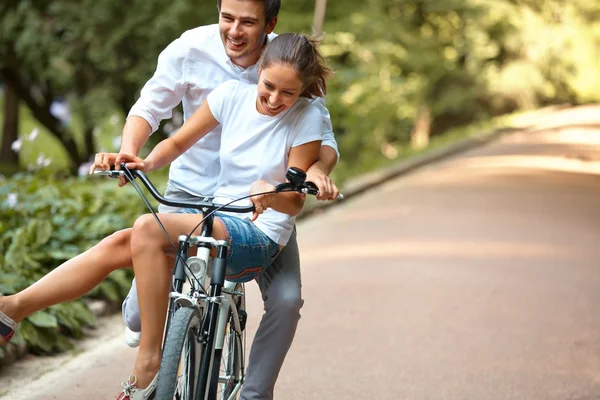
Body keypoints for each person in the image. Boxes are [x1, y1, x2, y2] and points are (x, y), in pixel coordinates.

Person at [0, 32, 332, 400]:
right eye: (268, 86)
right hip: (217, 213)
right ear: (260, 71)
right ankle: (12, 307)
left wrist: (268, 193)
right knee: (121, 242)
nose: (274, 99)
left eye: (287, 93)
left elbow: (295, 200)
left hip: (259, 234)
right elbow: (176, 142)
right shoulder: (230, 96)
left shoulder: (307, 115)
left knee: (146, 228)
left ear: (302, 90)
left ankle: (148, 364)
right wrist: (142, 161)